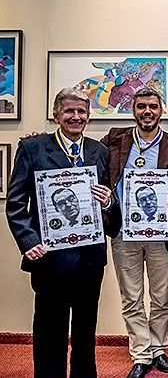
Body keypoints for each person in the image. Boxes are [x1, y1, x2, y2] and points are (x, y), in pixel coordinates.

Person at [5, 87, 113, 378]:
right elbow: (15, 205)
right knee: (49, 329)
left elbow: (108, 200)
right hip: (50, 259)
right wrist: (29, 241)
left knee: (85, 329)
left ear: (88, 116)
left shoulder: (99, 151)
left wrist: (108, 201)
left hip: (90, 259)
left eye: (81, 112)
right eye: (69, 111)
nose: (75, 117)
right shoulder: (33, 149)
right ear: (56, 115)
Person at [100, 86, 168, 378]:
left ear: (162, 111)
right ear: (133, 109)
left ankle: (159, 349)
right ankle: (141, 354)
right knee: (132, 297)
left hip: (160, 232)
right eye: (141, 106)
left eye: (153, 106)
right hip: (123, 231)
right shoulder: (115, 140)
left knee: (161, 296)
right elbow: (91, 163)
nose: (147, 111)